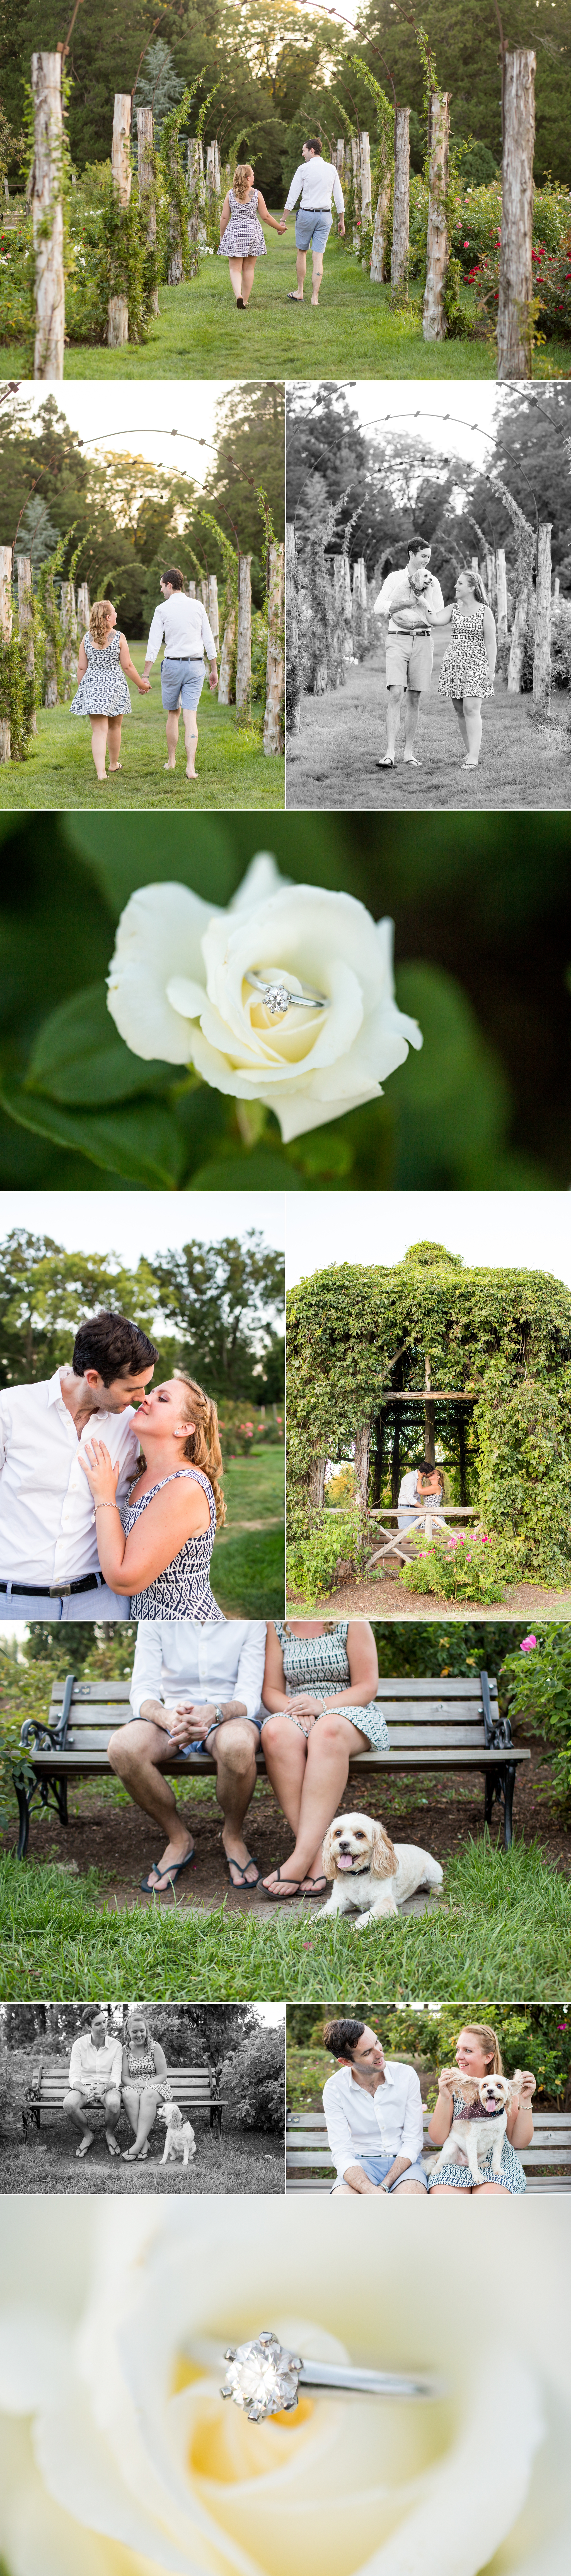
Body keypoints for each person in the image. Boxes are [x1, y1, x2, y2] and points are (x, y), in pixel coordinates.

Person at [0, 1312, 158, 1621]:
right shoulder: (10, 1410)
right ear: (94, 1378)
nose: (142, 1398)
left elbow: (127, 1506)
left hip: (101, 1601)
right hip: (12, 1603)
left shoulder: (129, 1425)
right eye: (131, 1390)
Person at [107, 1619, 267, 1895]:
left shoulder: (249, 1623)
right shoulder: (155, 1622)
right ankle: (178, 1838)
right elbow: (142, 1690)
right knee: (123, 1747)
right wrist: (166, 1716)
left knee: (238, 1745)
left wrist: (215, 1712)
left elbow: (249, 1696)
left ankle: (232, 1836)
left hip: (227, 1716)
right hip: (173, 1717)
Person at [77, 1373, 226, 1624]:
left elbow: (124, 1580)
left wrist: (104, 1496)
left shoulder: (184, 1486)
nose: (146, 1398)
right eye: (152, 1393)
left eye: (163, 1399)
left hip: (185, 1624)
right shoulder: (145, 1475)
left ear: (184, 1428)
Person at [259, 1619, 389, 1900]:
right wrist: (298, 1711)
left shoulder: (349, 1622)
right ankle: (317, 1857)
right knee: (275, 1732)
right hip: (297, 1712)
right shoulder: (277, 1626)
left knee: (326, 1730)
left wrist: (323, 1707)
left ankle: (300, 1858)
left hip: (347, 1713)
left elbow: (366, 1686)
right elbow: (270, 1690)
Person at [321, 2018, 428, 2195]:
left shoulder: (406, 2075)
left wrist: (384, 2186)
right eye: (368, 2053)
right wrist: (370, 2191)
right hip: (360, 2165)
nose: (380, 2054)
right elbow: (342, 2151)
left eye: (377, 2042)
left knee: (410, 2200)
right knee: (343, 2203)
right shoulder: (335, 2088)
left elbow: (413, 2141)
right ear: (346, 2062)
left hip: (405, 2164)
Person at [427, 2024, 536, 2194]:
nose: (459, 2057)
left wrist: (525, 2099)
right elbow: (438, 2138)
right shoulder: (453, 2087)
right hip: (457, 2159)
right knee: (447, 2201)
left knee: (488, 2202)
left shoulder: (504, 2088)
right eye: (458, 2050)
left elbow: (520, 2142)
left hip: (496, 2162)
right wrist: (445, 2096)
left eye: (468, 2051)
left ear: (488, 2057)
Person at [372, 541, 444, 768]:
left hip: (423, 640)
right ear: (412, 554)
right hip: (397, 638)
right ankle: (390, 753)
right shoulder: (395, 578)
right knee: (396, 693)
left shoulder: (432, 581)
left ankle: (409, 753)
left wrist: (429, 593)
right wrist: (409, 602)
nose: (427, 560)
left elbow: (438, 614)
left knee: (415, 698)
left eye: (429, 557)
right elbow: (379, 607)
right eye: (423, 556)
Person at [142, 569, 218, 782]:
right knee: (190, 716)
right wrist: (214, 669)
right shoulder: (198, 606)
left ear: (169, 585)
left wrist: (146, 675)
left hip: (173, 667)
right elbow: (208, 640)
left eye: (161, 585)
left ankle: (172, 760)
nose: (160, 589)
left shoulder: (162, 610)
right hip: (196, 667)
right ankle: (191, 768)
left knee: (174, 714)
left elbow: (154, 644)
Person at [70, 598, 150, 782]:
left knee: (98, 731)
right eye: (114, 613)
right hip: (114, 686)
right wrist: (142, 684)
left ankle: (101, 774)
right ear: (107, 617)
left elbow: (81, 669)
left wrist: (83, 689)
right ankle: (114, 764)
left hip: (92, 686)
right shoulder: (119, 637)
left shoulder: (86, 639)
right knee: (115, 726)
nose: (117, 615)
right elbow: (128, 666)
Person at [427, 568, 497, 768]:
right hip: (455, 662)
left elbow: (491, 643)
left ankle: (474, 758)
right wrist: (425, 597)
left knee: (471, 708)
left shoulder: (485, 611)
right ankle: (470, 753)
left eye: (460, 583)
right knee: (460, 710)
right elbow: (434, 620)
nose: (456, 586)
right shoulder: (453, 609)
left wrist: (491, 670)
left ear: (472, 588)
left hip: (476, 661)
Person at [282, 139, 345, 307]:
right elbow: (339, 197)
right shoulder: (332, 169)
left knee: (302, 252)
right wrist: (342, 221)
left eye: (304, 151)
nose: (302, 154)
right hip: (325, 217)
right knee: (319, 257)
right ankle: (315, 299)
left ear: (312, 151)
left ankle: (300, 292)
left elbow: (293, 195)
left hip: (307, 216)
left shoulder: (303, 169)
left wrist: (283, 219)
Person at [218, 163, 286, 309]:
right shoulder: (256, 194)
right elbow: (266, 217)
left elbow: (224, 218)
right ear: (248, 178)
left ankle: (239, 296)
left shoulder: (231, 194)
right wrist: (280, 228)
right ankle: (245, 301)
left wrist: (223, 236)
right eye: (253, 175)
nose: (255, 177)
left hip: (235, 232)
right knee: (249, 269)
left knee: (235, 269)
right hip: (253, 232)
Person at [63, 2007, 123, 2159]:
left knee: (114, 2103)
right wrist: (84, 2089)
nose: (104, 2027)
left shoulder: (116, 2046)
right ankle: (88, 2135)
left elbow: (117, 2078)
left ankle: (110, 2135)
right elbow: (74, 2077)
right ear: (88, 2027)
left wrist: (105, 2087)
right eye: (98, 2024)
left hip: (108, 2087)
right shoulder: (79, 2045)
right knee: (69, 2104)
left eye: (105, 2022)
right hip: (85, 2087)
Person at [121, 2009, 172, 2160]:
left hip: (156, 2085)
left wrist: (146, 2084)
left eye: (142, 2031)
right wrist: (136, 2085)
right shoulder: (125, 2050)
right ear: (128, 2032)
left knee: (148, 2094)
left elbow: (163, 2075)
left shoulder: (155, 2047)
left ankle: (137, 2146)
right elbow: (125, 2076)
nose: (139, 2035)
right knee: (129, 2095)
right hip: (135, 2085)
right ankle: (144, 2144)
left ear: (147, 2030)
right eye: (135, 2032)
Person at [397, 1465, 446, 1533]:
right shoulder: (411, 1477)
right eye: (432, 1473)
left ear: (438, 1477)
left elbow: (419, 1493)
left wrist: (420, 1479)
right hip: (422, 1513)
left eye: (433, 1473)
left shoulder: (437, 1487)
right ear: (424, 1474)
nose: (432, 1474)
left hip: (433, 1517)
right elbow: (418, 1493)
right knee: (406, 1537)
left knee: (428, 1539)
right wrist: (424, 1510)